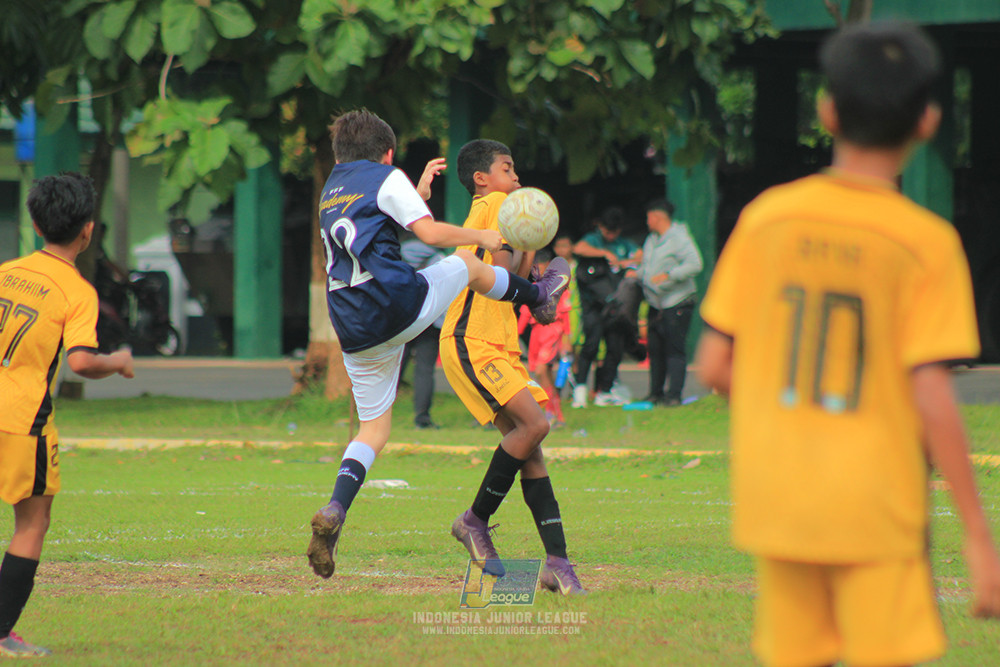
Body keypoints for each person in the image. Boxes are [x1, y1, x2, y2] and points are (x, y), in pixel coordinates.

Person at [695, 22, 1000, 667]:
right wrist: (979, 534)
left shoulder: (768, 218)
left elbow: (715, 363)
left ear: (827, 111)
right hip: (876, 502)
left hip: (781, 498)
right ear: (927, 121)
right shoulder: (924, 241)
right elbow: (930, 391)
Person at [305, 110, 570, 579]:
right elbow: (428, 233)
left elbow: (375, 229)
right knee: (468, 266)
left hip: (353, 327)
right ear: (387, 153)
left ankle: (335, 508)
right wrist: (481, 237)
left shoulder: (331, 191)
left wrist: (419, 197)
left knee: (373, 432)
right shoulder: (388, 176)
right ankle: (538, 296)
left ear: (339, 153)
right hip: (396, 307)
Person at [439, 139, 585, 595]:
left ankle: (557, 563)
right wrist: (540, 290)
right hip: (472, 338)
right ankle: (474, 521)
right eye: (508, 168)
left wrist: (540, 288)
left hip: (498, 345)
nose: (516, 177)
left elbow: (514, 280)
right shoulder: (495, 204)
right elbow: (497, 280)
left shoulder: (505, 216)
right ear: (482, 179)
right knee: (535, 425)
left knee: (529, 446)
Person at [0, 173, 135, 658]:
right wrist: (117, 361)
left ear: (36, 225)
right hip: (22, 422)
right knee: (31, 523)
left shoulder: (5, 271)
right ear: (88, 231)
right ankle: (1, 633)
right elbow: (80, 361)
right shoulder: (76, 291)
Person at [629, 198, 703, 406]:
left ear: (658, 217)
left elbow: (695, 264)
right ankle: (656, 393)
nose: (647, 221)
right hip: (656, 303)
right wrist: (636, 274)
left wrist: (670, 275)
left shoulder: (679, 238)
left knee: (674, 350)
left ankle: (674, 396)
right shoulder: (652, 240)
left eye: (649, 217)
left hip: (677, 301)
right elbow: (646, 266)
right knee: (656, 348)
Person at [571, 207, 641, 407]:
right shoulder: (594, 240)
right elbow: (579, 248)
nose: (611, 235)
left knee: (615, 347)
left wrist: (624, 262)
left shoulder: (622, 244)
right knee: (591, 345)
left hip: (615, 306)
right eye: (608, 231)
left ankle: (605, 390)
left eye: (615, 231)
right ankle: (580, 389)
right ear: (600, 227)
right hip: (593, 305)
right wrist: (604, 253)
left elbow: (639, 254)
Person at [517, 248, 573, 428]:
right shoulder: (534, 287)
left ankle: (550, 413)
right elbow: (525, 313)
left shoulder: (559, 286)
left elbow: (565, 314)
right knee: (543, 374)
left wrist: (567, 338)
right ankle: (559, 416)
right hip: (536, 333)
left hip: (552, 331)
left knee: (541, 371)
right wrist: (515, 333)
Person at [397, 232, 446, 429]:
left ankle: (371, 417)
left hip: (402, 319)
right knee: (424, 370)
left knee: (392, 369)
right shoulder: (439, 258)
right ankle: (422, 419)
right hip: (430, 321)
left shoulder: (396, 254)